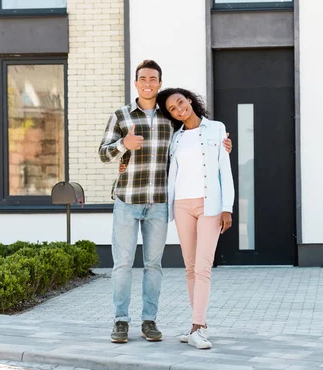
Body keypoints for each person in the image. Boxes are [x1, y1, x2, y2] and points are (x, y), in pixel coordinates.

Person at [98, 61, 231, 344]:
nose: (148, 83)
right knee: (122, 264)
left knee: (153, 265)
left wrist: (223, 143)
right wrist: (124, 146)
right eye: (142, 78)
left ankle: (150, 321)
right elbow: (103, 154)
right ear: (136, 83)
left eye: (153, 79)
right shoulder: (121, 116)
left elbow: (197, 141)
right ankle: (120, 321)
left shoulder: (170, 120)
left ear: (159, 84)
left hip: (159, 202)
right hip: (127, 199)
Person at [156, 87, 234, 349]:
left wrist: (228, 207)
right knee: (190, 268)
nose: (179, 109)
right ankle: (197, 324)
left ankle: (198, 328)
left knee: (203, 267)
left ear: (189, 100)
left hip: (209, 206)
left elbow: (225, 169)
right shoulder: (175, 138)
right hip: (181, 206)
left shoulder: (216, 129)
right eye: (173, 109)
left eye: (180, 102)